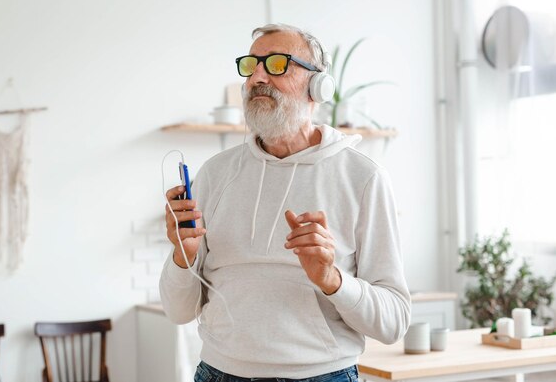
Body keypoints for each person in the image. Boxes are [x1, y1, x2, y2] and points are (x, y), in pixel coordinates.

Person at [160, 23, 410, 382]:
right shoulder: (214, 174)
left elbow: (394, 322)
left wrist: (331, 279)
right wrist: (181, 256)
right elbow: (178, 311)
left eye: (277, 63)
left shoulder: (364, 177)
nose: (257, 76)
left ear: (318, 86)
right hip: (218, 373)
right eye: (251, 65)